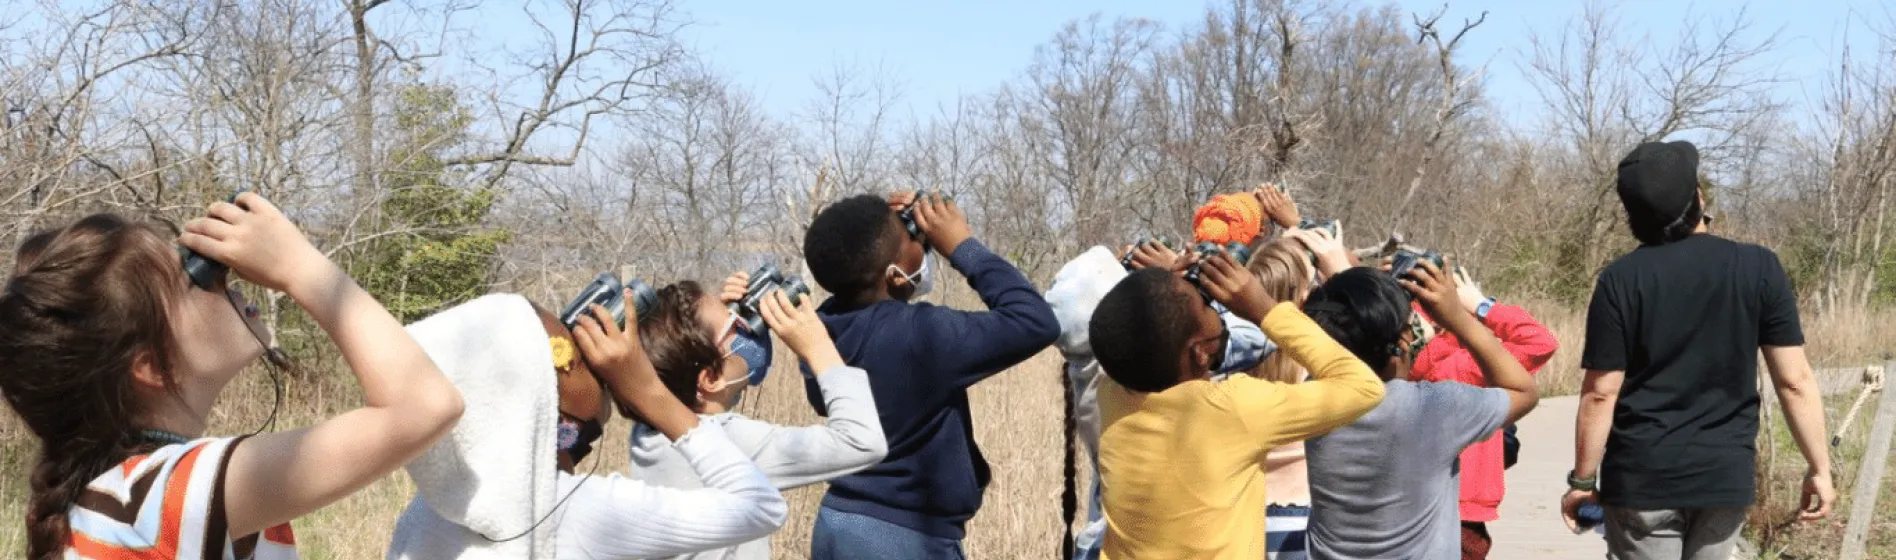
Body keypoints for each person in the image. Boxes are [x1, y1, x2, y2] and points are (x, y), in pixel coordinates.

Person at [0, 195, 466, 559]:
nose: (226, 277)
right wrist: (297, 266)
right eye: (196, 279)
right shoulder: (162, 498)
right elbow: (425, 406)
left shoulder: (128, 500)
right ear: (152, 366)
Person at [1563, 140, 1834, 560]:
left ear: (1632, 217)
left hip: (1642, 476)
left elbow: (1601, 392)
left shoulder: (1620, 280)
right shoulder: (1759, 268)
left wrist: (1582, 483)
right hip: (1722, 477)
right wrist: (1819, 468)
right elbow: (1794, 381)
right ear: (1698, 199)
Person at [386, 295, 788, 559]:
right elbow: (761, 507)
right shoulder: (573, 506)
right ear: (541, 395)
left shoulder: (433, 505)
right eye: (572, 358)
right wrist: (650, 393)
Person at [799, 192, 1060, 559]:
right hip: (905, 537)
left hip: (838, 523)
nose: (923, 249)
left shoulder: (819, 332)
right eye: (913, 243)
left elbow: (867, 301)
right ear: (893, 273)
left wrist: (887, 237)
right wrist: (961, 245)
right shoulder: (922, 335)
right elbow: (1036, 321)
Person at [1088, 254, 1385, 559]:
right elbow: (1363, 387)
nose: (1211, 305)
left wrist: (1157, 293)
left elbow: (1130, 334)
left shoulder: (1112, 395)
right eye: (1205, 304)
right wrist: (1264, 310)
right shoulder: (1233, 410)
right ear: (1201, 352)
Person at [624, 276, 888, 560]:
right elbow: (863, 442)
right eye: (734, 328)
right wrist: (818, 346)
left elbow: (707, 395)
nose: (744, 330)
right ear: (711, 377)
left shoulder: (648, 429)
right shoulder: (731, 442)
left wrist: (703, 333)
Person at [1050, 243, 1275, 560]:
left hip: (1102, 535)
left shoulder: (1097, 375)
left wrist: (1169, 289)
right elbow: (1257, 339)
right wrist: (1185, 291)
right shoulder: (1149, 366)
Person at [1300, 263, 1540, 560]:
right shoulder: (1435, 408)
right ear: (1404, 341)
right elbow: (1523, 392)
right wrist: (1458, 318)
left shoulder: (1308, 401)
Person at [1407, 267, 1558, 560]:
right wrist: (1479, 306)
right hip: (1466, 504)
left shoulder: (1401, 361)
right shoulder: (1468, 365)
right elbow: (1540, 342)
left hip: (1412, 501)